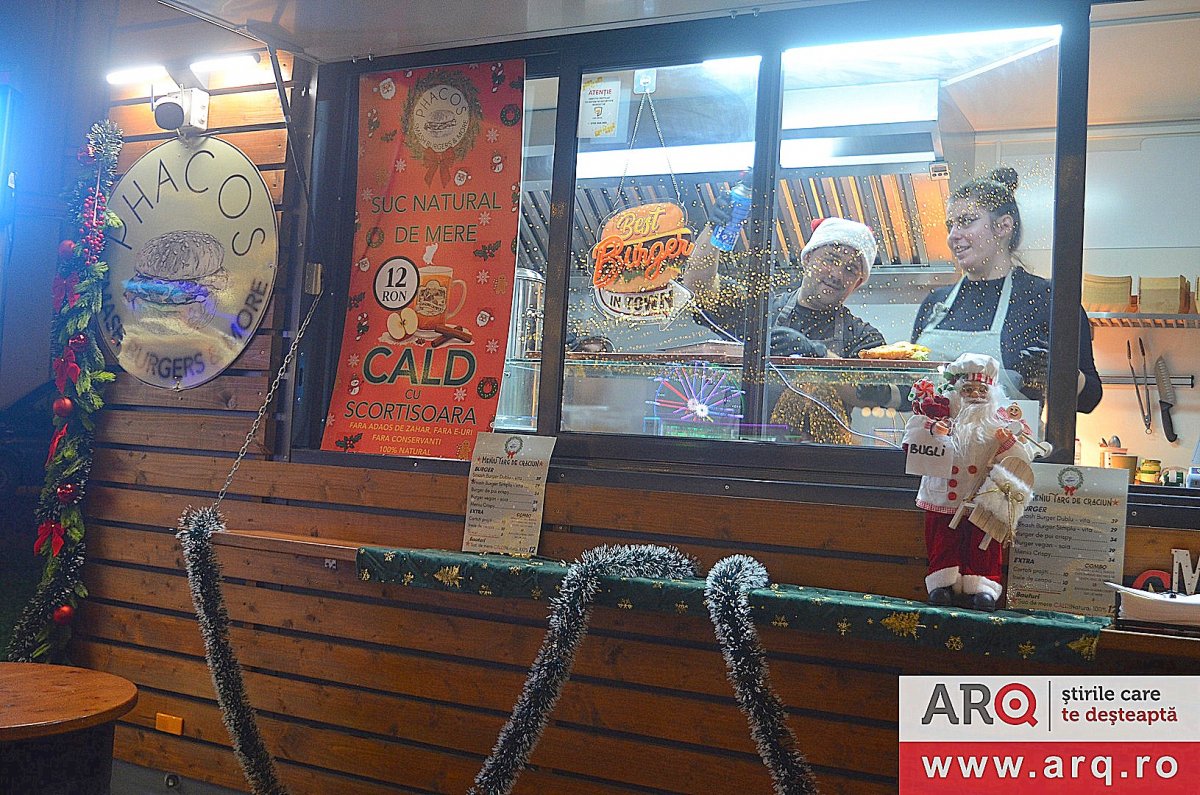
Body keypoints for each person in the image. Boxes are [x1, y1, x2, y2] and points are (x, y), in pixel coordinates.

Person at [911, 166, 1102, 412]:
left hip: (1008, 438)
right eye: (951, 225)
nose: (953, 236)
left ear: (1003, 227)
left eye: (966, 222)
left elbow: (1090, 399)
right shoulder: (936, 303)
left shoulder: (1047, 300)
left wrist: (1061, 373)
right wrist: (882, 392)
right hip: (934, 438)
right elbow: (912, 391)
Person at [904, 353, 1041, 611]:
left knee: (984, 540)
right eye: (968, 389)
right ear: (957, 391)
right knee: (943, 538)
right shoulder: (939, 414)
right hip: (944, 494)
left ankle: (983, 585)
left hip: (983, 496)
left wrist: (1007, 443)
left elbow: (1022, 460)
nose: (975, 395)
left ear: (992, 393)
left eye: (982, 390)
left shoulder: (1003, 421)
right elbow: (912, 442)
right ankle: (942, 583)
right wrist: (933, 431)